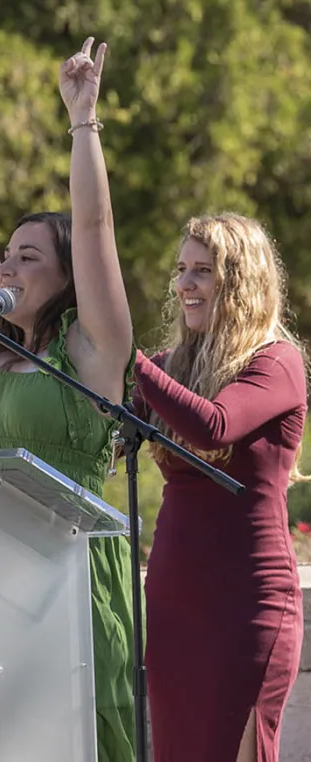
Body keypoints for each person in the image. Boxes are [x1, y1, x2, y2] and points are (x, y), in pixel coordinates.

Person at [0, 39, 137, 760]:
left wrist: (83, 120)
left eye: (28, 258)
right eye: (7, 256)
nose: (6, 266)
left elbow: (97, 229)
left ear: (68, 276)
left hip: (68, 567)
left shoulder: (90, 349)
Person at [134, 213, 306, 761]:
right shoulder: (167, 368)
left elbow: (214, 425)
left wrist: (128, 362)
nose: (184, 284)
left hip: (247, 604)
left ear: (240, 281)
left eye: (203, 270)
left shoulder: (278, 363)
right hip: (173, 602)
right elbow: (110, 436)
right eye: (181, 269)